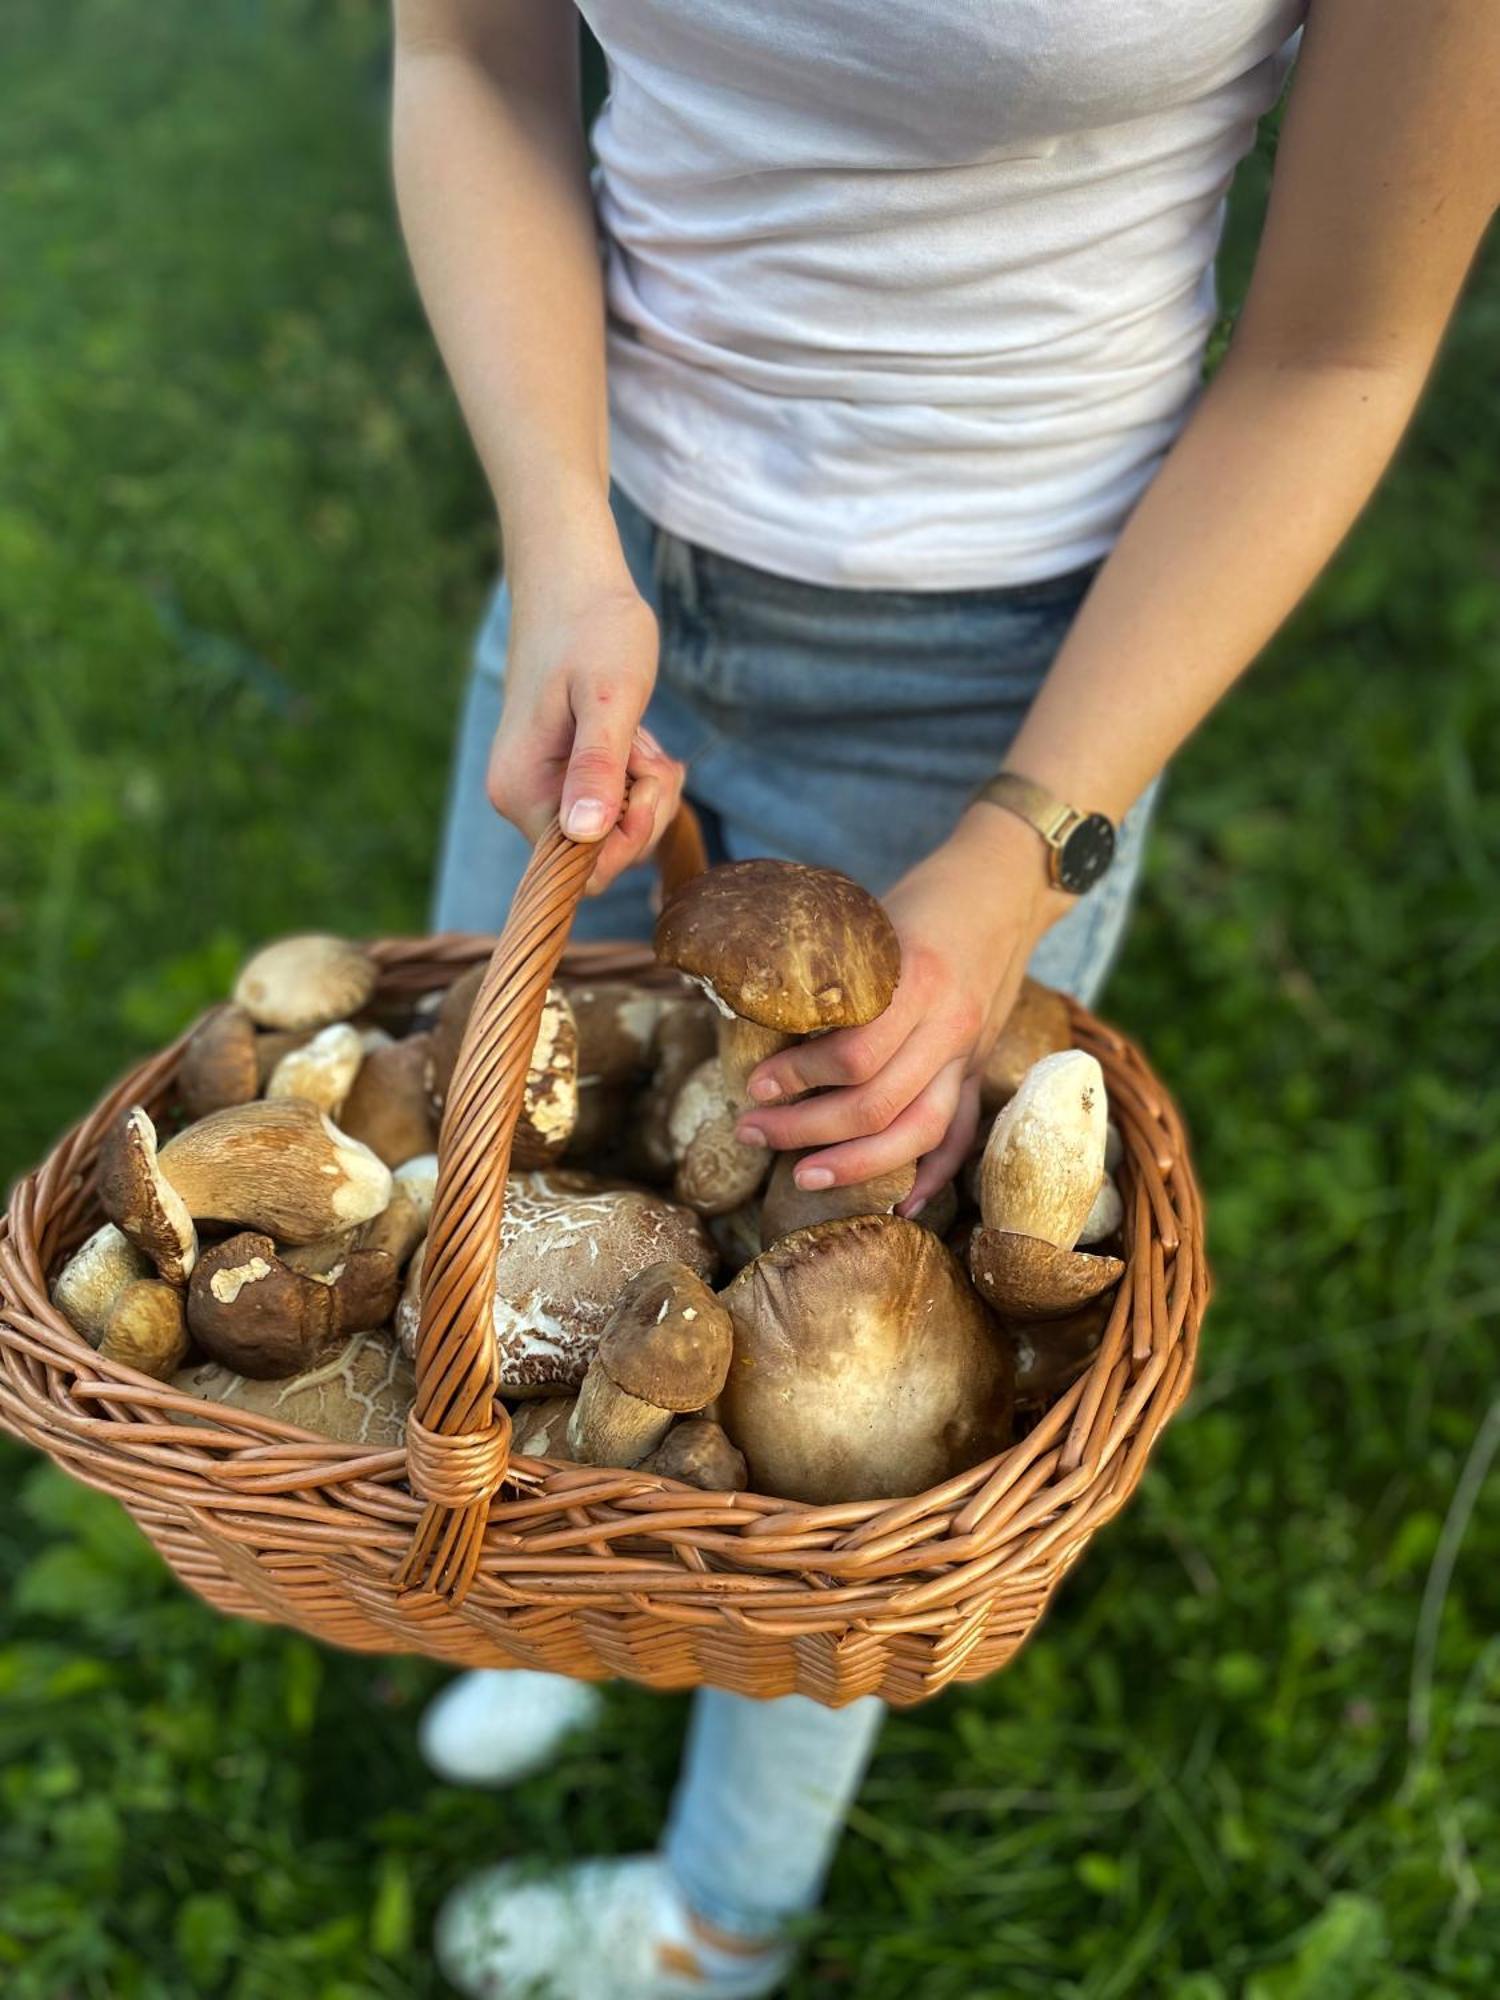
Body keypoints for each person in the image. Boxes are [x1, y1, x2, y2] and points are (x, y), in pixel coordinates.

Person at [391, 2, 1499, 1993]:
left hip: (1015, 688)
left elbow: (1344, 342)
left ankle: (720, 1914)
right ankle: (582, 1603)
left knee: (862, 1392)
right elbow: (470, 61)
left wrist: (1015, 858)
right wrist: (561, 534)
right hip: (608, 550)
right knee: (530, 1199)